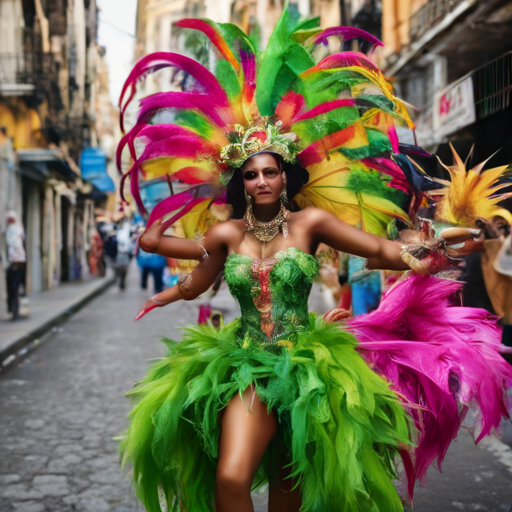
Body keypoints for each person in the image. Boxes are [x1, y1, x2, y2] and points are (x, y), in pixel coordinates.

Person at [117, 10, 512, 512]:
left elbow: (384, 251)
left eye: (270, 172)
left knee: (291, 488)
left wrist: (435, 247)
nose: (261, 181)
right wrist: (164, 283)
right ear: (240, 182)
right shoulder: (226, 232)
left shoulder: (310, 224)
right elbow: (198, 280)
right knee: (231, 478)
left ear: (286, 177)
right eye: (251, 174)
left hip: (309, 364)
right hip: (244, 364)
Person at [4, 210, 26, 321]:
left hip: (15, 265)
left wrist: (15, 262)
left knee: (14, 289)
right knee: (14, 290)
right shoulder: (16, 229)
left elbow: (15, 246)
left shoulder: (14, 229)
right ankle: (14, 311)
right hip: (15, 264)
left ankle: (14, 312)